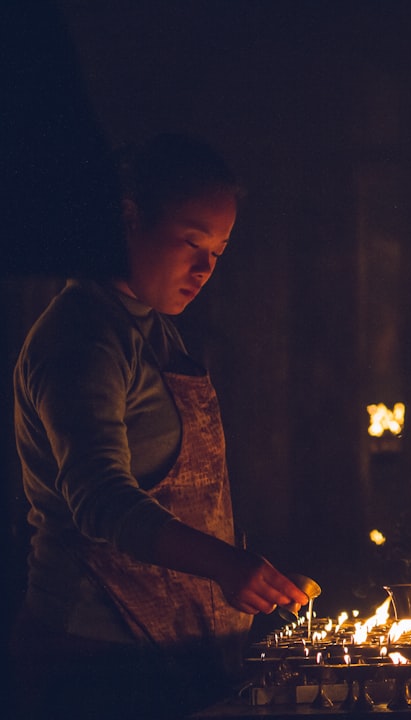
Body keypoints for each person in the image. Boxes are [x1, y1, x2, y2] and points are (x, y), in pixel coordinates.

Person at [10, 133, 310, 719]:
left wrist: (248, 579)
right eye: (191, 243)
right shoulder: (82, 337)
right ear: (127, 220)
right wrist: (226, 565)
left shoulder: (151, 328)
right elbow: (100, 499)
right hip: (94, 661)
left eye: (219, 253)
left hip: (171, 655)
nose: (205, 268)